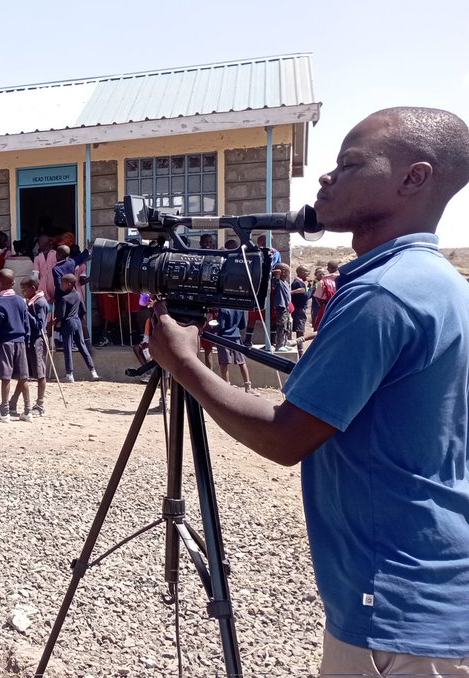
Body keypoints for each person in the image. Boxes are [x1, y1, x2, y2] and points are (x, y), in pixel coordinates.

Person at [148, 107, 469, 673]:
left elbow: (286, 438)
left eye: (349, 164)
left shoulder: (383, 294)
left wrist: (183, 363)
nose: (327, 175)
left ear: (413, 178)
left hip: (397, 610)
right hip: (430, 583)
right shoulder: (436, 280)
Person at [0, 268, 31, 423]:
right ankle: (27, 411)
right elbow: (26, 324)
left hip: (5, 343)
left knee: (6, 377)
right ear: (13, 283)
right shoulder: (21, 301)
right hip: (20, 342)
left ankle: (4, 412)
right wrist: (26, 342)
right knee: (23, 376)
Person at [55, 273, 99, 382]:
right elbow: (83, 310)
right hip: (77, 322)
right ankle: (93, 372)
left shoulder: (64, 298)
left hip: (68, 323)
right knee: (82, 346)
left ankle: (69, 374)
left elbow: (61, 315)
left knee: (67, 348)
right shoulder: (78, 295)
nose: (61, 285)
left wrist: (55, 321)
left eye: (63, 283)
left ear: (69, 284)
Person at [19, 276, 50, 417]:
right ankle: (13, 401)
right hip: (30, 339)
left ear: (33, 288)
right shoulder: (32, 302)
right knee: (24, 372)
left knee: (39, 372)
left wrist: (26, 312)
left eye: (24, 290)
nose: (23, 292)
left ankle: (40, 404)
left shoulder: (39, 303)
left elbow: (39, 325)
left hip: (38, 340)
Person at [212, 306, 253, 393]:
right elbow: (243, 325)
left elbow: (221, 326)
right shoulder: (240, 309)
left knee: (224, 363)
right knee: (241, 362)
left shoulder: (223, 309)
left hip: (224, 338)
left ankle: (226, 387)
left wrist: (213, 326)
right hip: (236, 336)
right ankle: (248, 386)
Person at [290, 266, 311, 356]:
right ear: (301, 272)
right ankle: (301, 351)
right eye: (307, 272)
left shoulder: (300, 282)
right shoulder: (298, 283)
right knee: (300, 330)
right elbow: (306, 296)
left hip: (299, 308)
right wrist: (311, 289)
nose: (308, 274)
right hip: (299, 309)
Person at [32, 234, 57, 300]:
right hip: (55, 284)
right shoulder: (56, 254)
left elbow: (35, 275)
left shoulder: (37, 258)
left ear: (41, 243)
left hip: (42, 286)